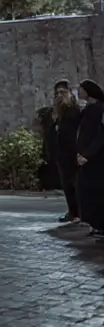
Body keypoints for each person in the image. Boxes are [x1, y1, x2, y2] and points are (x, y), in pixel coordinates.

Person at [74, 80, 104, 239]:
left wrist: (87, 154)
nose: (78, 91)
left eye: (81, 89)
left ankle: (100, 225)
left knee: (97, 192)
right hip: (84, 157)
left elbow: (100, 135)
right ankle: (94, 224)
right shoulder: (86, 109)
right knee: (86, 192)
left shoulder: (100, 109)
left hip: (96, 158)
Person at [50, 80, 83, 224]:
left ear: (70, 93)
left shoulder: (76, 109)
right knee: (67, 185)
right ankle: (72, 212)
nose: (59, 95)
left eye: (62, 92)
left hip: (74, 151)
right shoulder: (57, 111)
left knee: (76, 184)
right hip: (61, 151)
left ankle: (81, 213)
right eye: (57, 93)